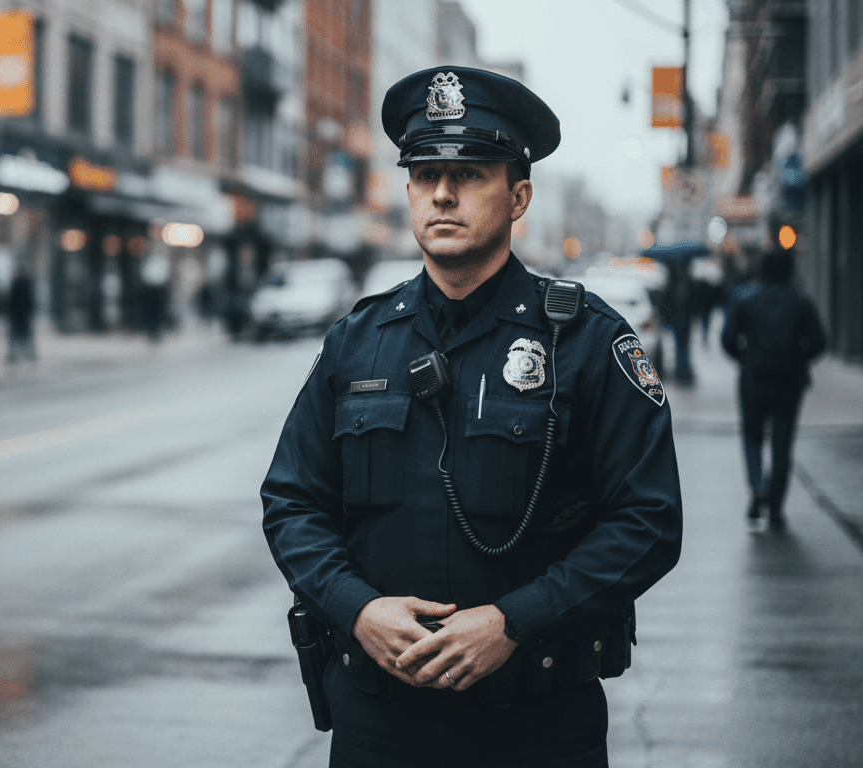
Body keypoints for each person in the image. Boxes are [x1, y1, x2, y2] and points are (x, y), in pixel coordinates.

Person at [260, 67, 683, 768]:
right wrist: (357, 608)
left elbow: (648, 522)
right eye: (425, 175)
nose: (444, 193)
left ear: (518, 196)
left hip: (536, 725)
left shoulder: (584, 341)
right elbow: (292, 500)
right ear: (408, 192)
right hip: (378, 724)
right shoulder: (359, 339)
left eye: (471, 173)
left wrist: (516, 622)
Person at [721, 251, 825, 531]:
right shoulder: (801, 303)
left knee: (752, 437)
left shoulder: (744, 300)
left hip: (753, 379)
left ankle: (757, 487)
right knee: (782, 443)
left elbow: (728, 339)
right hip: (789, 383)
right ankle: (776, 506)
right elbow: (818, 342)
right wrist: (799, 357)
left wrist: (745, 358)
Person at [6, 265, 38, 363]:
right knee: (23, 335)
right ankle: (24, 354)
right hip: (20, 314)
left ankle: (20, 354)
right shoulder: (25, 284)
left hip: (20, 314)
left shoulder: (18, 284)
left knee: (20, 335)